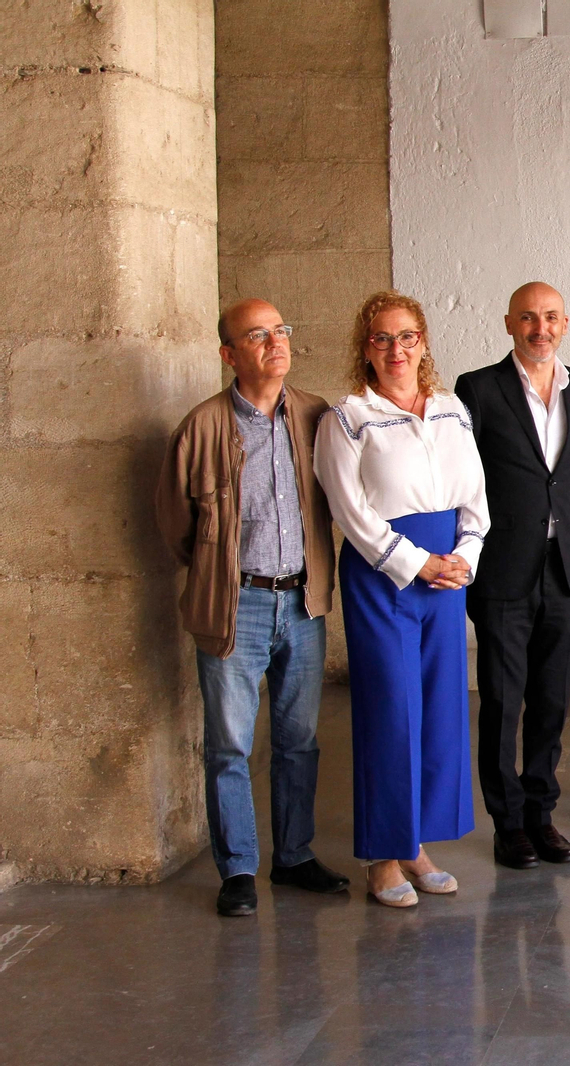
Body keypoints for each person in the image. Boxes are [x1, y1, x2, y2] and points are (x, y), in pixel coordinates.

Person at [156, 298, 348, 917]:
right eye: (257, 335)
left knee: (299, 739)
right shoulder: (203, 427)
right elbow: (177, 526)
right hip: (234, 604)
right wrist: (223, 574)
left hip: (304, 601)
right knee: (230, 744)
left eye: (281, 330)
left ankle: (292, 857)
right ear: (228, 354)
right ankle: (237, 868)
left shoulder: (317, 415)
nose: (275, 343)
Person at [314, 290, 488, 907]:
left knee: (439, 708)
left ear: (423, 343)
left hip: (446, 575)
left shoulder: (450, 409)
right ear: (366, 347)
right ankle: (382, 859)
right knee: (391, 710)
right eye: (382, 338)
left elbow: (475, 497)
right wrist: (417, 564)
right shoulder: (347, 418)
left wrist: (465, 557)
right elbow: (351, 512)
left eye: (407, 336)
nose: (396, 348)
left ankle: (415, 844)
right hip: (384, 576)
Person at [455, 283, 570, 870]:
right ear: (510, 323)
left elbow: (562, 479)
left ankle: (541, 813)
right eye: (528, 318)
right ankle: (506, 822)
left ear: (565, 323)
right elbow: (464, 476)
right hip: (503, 567)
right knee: (502, 701)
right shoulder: (478, 388)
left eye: (550, 318)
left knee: (550, 700)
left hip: (563, 567)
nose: (540, 328)